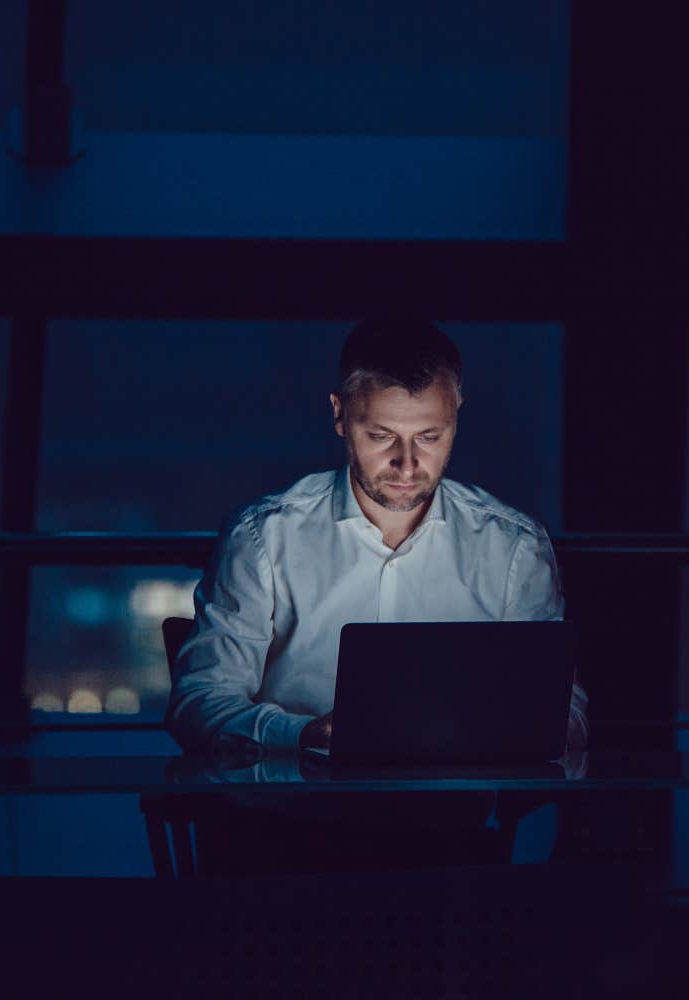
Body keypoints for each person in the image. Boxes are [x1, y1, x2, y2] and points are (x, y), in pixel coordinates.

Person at [165, 319, 588, 874]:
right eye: (382, 436)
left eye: (430, 437)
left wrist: (501, 735)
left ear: (457, 415)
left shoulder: (513, 548)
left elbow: (568, 712)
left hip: (449, 848)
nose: (408, 465)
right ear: (341, 416)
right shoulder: (262, 537)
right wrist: (304, 735)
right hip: (281, 840)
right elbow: (197, 702)